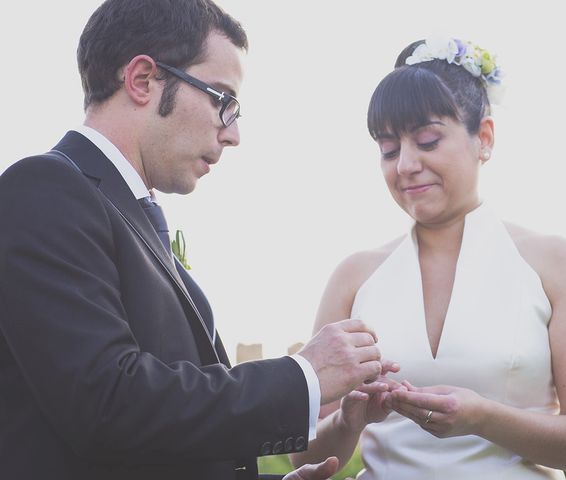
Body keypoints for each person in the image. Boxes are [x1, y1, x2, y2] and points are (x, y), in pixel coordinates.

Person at [0, 1, 386, 479]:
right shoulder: (43, 189)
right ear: (142, 79)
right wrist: (303, 374)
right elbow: (109, 404)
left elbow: (157, 444)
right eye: (221, 99)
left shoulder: (124, 210)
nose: (234, 134)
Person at [290, 37, 566, 478]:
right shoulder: (354, 275)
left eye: (427, 141)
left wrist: (483, 418)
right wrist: (347, 421)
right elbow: (305, 458)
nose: (405, 164)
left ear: (483, 138)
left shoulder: (555, 262)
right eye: (389, 149)